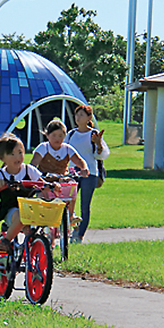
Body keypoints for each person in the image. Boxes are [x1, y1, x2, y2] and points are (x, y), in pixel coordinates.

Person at [0, 133, 43, 254]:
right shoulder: (1, 174)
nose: (18, 157)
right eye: (12, 154)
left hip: (30, 208)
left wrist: (50, 186)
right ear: (2, 158)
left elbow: (42, 183)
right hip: (10, 210)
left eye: (20, 152)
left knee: (34, 227)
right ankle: (5, 241)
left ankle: (30, 251)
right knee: (21, 217)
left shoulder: (28, 170)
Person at [65, 104, 109, 244]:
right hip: (72, 172)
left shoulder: (94, 134)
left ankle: (79, 236)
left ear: (89, 117)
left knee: (85, 205)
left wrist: (99, 144)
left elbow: (101, 155)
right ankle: (72, 226)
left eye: (81, 115)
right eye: (77, 115)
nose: (78, 118)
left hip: (90, 173)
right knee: (67, 202)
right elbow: (64, 151)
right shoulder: (71, 134)